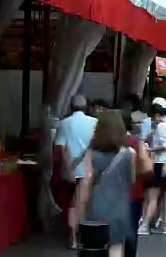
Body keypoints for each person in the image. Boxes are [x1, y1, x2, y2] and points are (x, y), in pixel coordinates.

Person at [76, 110, 136, 257]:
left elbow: (86, 184)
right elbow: (132, 180)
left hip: (97, 208)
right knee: (116, 248)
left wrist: (80, 212)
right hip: (120, 209)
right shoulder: (130, 153)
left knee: (96, 248)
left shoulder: (92, 154)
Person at [55, 95, 98, 249]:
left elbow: (62, 148)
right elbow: (94, 146)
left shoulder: (63, 123)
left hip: (71, 170)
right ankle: (78, 235)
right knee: (82, 203)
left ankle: (73, 236)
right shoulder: (94, 123)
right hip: (88, 168)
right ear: (86, 107)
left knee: (73, 203)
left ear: (70, 107)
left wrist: (69, 167)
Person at [139, 102, 166, 235]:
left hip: (160, 162)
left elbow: (164, 145)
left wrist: (149, 149)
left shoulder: (161, 126)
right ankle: (164, 226)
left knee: (153, 195)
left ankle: (145, 225)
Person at [122, 109, 153, 257]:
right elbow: (147, 167)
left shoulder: (100, 142)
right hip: (133, 192)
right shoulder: (134, 142)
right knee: (130, 231)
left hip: (108, 193)